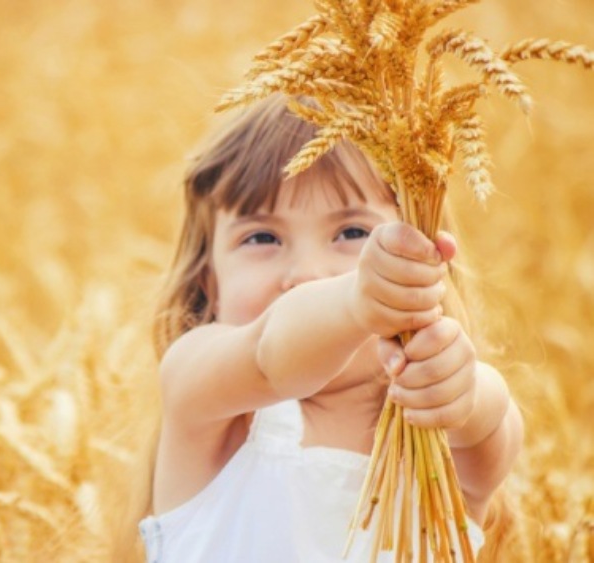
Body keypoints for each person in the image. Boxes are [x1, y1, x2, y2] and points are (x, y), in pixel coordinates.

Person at [138, 94, 524, 562]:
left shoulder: (435, 442)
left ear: (419, 256)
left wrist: (462, 387)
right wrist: (353, 301)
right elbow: (269, 356)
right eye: (262, 237)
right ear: (208, 282)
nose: (307, 274)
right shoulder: (203, 401)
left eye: (352, 233)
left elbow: (490, 425)